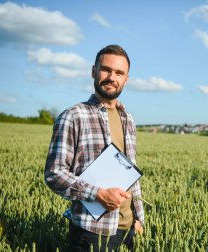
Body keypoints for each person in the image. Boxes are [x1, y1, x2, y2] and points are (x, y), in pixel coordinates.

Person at [44, 44, 144, 251]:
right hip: (92, 232)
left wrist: (138, 218)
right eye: (106, 69)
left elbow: (129, 172)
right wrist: (98, 194)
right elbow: (54, 174)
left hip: (129, 229)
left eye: (119, 72)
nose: (112, 77)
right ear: (93, 71)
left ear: (126, 79)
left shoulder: (128, 119)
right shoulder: (73, 116)